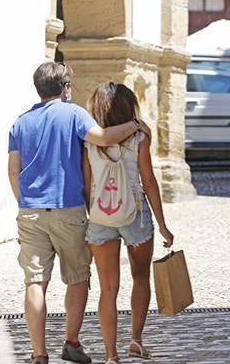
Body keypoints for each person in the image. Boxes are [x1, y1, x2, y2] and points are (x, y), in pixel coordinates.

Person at [8, 62, 152, 364]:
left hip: (30, 212)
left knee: (35, 282)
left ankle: (38, 353)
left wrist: (26, 202)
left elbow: (12, 170)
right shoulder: (72, 113)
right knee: (77, 279)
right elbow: (102, 137)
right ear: (66, 88)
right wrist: (135, 125)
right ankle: (71, 343)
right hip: (68, 209)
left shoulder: (20, 123)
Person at [82, 83, 175, 364]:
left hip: (100, 217)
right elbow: (148, 181)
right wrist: (162, 224)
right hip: (135, 214)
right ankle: (135, 340)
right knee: (141, 277)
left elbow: (87, 185)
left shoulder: (88, 142)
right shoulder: (139, 139)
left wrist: (93, 216)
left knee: (108, 289)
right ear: (128, 108)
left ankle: (111, 355)